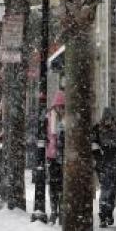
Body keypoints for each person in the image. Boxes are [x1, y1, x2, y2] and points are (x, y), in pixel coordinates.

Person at [92, 107, 116, 228]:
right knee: (110, 189)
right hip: (112, 163)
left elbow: (94, 145)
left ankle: (105, 213)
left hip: (105, 163)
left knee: (106, 189)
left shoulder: (98, 127)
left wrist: (99, 158)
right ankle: (106, 213)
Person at [46, 92, 66, 224]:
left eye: (62, 106)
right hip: (52, 156)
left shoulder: (67, 119)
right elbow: (45, 136)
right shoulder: (49, 118)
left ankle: (62, 211)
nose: (60, 109)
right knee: (54, 184)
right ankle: (54, 211)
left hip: (64, 156)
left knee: (63, 186)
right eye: (58, 106)